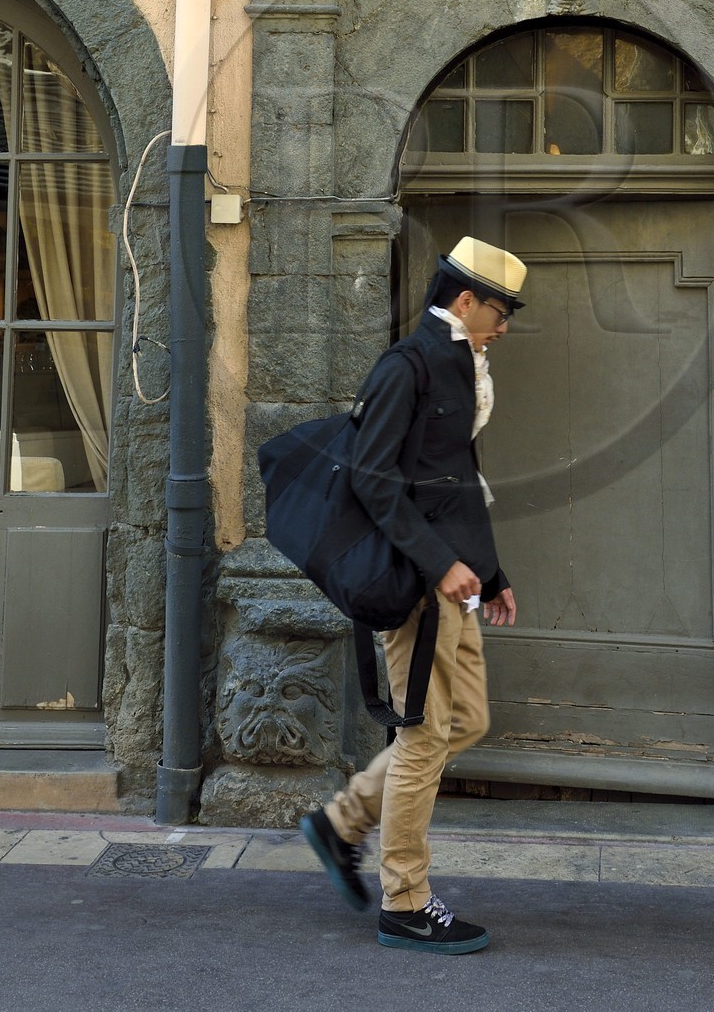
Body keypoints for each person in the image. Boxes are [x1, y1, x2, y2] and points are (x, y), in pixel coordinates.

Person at [300, 235, 526, 955]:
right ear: (465, 300)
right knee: (425, 736)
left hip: (454, 583)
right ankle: (406, 900)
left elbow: (456, 478)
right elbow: (373, 478)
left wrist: (490, 574)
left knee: (466, 721)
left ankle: (341, 823)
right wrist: (438, 564)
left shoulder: (463, 363)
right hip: (415, 586)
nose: (506, 324)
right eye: (501, 309)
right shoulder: (408, 365)